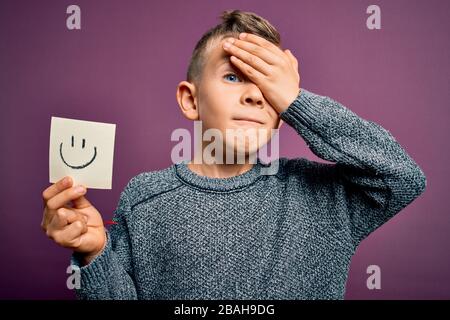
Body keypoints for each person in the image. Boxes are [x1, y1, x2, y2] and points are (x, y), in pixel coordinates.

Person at [41, 10, 426, 299]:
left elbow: (403, 178)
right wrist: (93, 255)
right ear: (190, 100)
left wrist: (297, 101)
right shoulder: (145, 199)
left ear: (280, 115)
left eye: (267, 86)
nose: (254, 94)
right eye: (232, 76)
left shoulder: (323, 197)